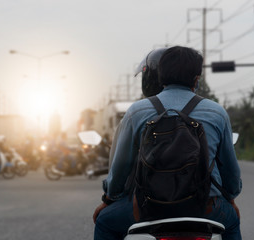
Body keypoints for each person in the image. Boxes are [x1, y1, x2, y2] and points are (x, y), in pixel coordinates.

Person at [93, 46, 242, 240]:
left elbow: (120, 168)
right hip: (205, 208)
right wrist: (230, 199)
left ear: (160, 76)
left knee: (105, 222)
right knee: (231, 223)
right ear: (196, 79)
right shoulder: (216, 112)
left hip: (148, 208)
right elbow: (230, 173)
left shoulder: (136, 112)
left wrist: (108, 200)